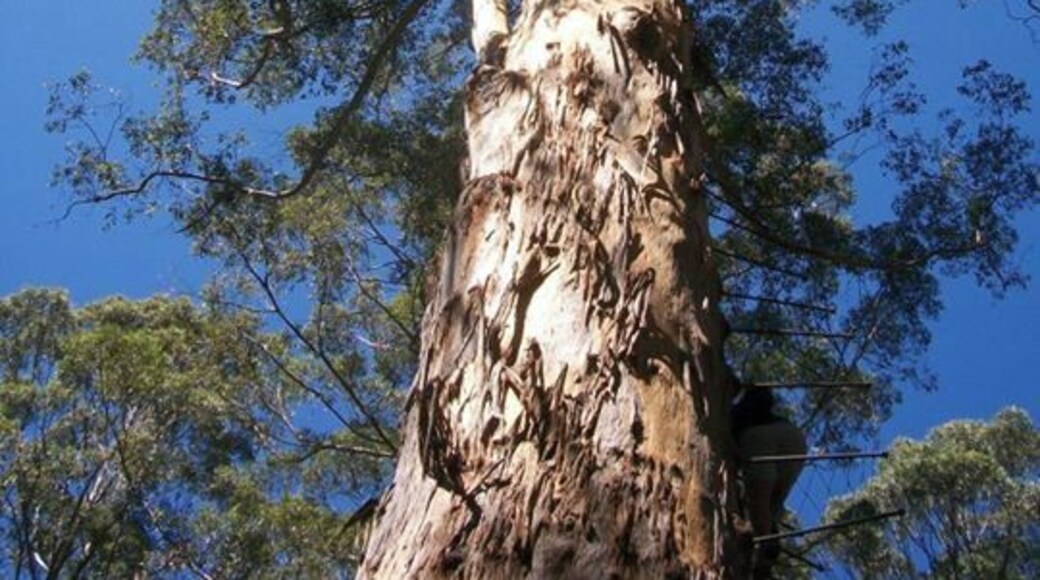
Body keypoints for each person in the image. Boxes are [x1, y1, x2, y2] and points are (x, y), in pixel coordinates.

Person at [731, 384, 807, 579]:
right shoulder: (755, 410)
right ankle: (766, 548)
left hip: (758, 437)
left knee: (759, 504)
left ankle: (767, 547)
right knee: (771, 507)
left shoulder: (735, 419)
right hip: (793, 439)